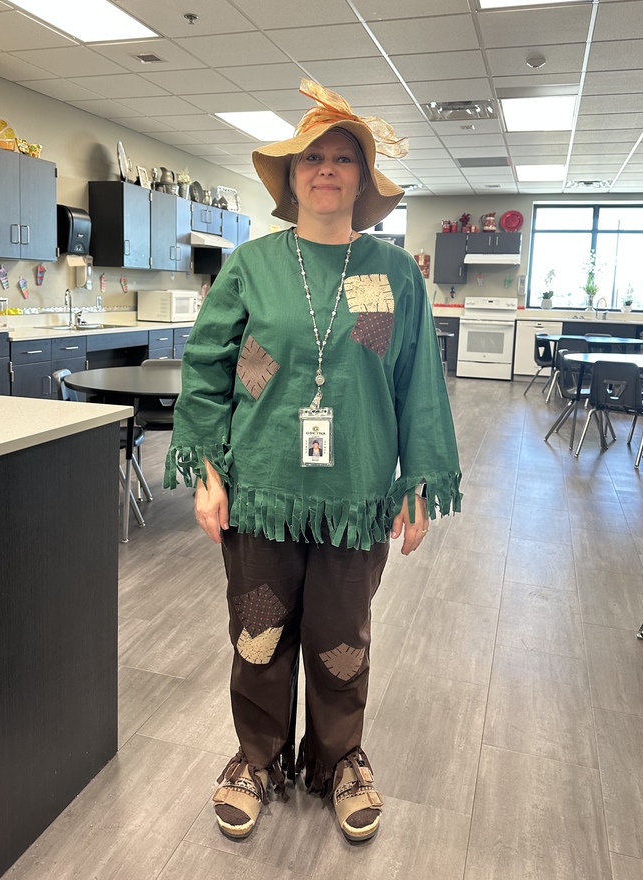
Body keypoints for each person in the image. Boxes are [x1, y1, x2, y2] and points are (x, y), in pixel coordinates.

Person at [165, 79, 461, 843]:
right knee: (259, 633)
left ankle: (337, 761)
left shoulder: (395, 277)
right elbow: (207, 367)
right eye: (311, 158)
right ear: (293, 177)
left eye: (342, 158)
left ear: (362, 181)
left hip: (355, 493)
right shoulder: (253, 266)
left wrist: (419, 479)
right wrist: (206, 471)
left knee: (340, 638)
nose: (325, 169)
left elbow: (415, 380)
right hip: (261, 488)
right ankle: (257, 759)